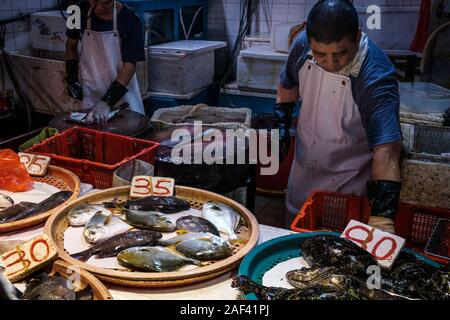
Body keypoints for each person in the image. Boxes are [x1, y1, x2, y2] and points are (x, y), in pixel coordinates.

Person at [274, 0, 402, 233]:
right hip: (304, 173)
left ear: (356, 35)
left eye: (340, 54)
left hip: (349, 186)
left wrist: (382, 219)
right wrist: (281, 125)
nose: (330, 63)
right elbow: (287, 85)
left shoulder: (375, 75)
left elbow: (387, 150)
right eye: (320, 54)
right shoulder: (303, 45)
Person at [65, 0, 145, 125]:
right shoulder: (77, 11)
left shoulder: (131, 19)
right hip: (90, 93)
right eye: (93, 2)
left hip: (122, 98)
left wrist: (106, 101)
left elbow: (129, 66)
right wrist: (72, 78)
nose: (98, 8)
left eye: (104, 3)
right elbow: (71, 43)